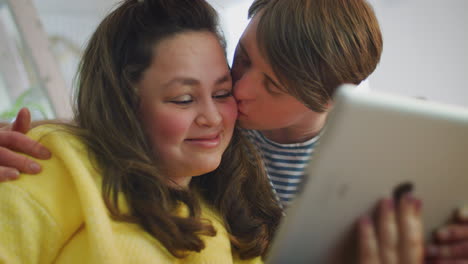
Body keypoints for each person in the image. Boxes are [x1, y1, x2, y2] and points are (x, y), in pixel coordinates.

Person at [0, 0, 448, 261]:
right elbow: (118, 131)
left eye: (273, 85)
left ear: (326, 98)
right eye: (244, 57)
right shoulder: (67, 161)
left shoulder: (367, 171)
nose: (236, 94)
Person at [0, 0, 285, 262]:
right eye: (184, 99)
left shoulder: (234, 207)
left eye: (222, 93)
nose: (212, 117)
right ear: (123, 104)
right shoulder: (56, 161)